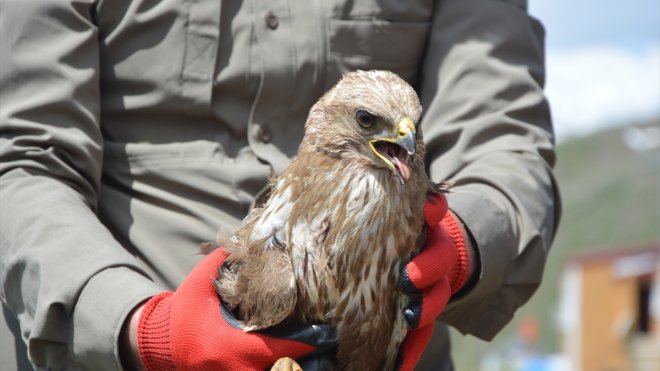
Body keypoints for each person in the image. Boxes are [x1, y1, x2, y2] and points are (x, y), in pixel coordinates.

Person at [0, 0, 560, 370]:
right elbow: (22, 156)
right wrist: (139, 330)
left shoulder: (398, 135)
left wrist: (462, 249)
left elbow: (504, 133)